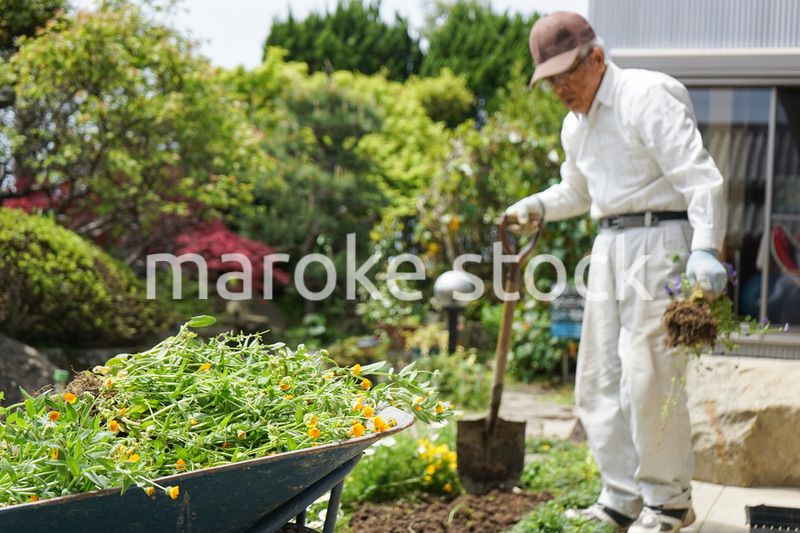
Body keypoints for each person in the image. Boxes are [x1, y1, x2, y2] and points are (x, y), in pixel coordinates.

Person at [505, 11, 728, 533]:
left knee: (649, 378)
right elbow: (578, 193)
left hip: (660, 243)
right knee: (597, 379)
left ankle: (669, 502)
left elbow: (701, 180)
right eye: (550, 79)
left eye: (567, 74)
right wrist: (536, 204)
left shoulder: (646, 96)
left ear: (597, 57)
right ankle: (622, 496)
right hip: (608, 247)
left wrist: (705, 248)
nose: (559, 88)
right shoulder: (574, 124)